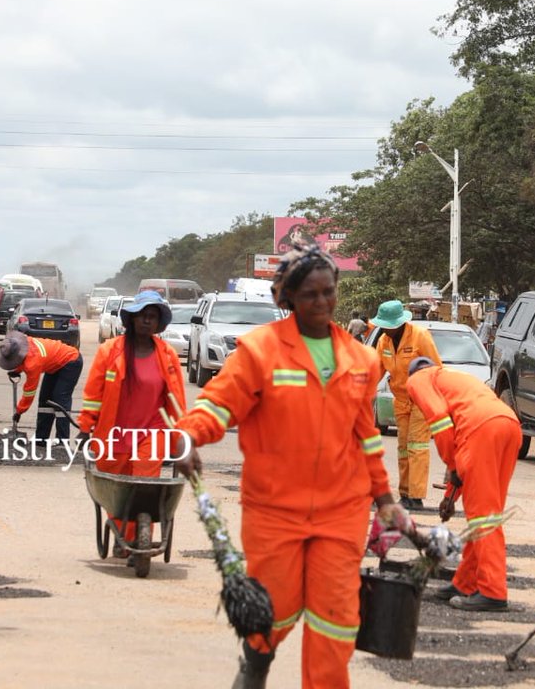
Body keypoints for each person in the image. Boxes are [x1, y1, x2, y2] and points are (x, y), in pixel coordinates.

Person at [171, 245, 411, 689]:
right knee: (271, 613)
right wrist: (189, 434)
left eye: (329, 292)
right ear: (287, 300)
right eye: (309, 295)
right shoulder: (260, 351)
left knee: (335, 623)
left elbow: (366, 438)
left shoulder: (361, 360)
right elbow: (220, 405)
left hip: (342, 513)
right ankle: (256, 662)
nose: (321, 303)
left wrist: (385, 500)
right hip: (274, 511)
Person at [406, 356, 520, 611]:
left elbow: (441, 424)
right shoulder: (453, 381)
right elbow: (459, 443)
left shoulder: (418, 380)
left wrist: (454, 467)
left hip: (482, 430)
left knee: (483, 517)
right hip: (508, 425)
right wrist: (451, 496)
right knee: (485, 512)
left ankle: (493, 591)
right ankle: (465, 583)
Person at [77, 291, 184, 551]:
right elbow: (94, 394)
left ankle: (136, 538)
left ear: (158, 323)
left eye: (152, 317)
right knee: (117, 488)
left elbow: (177, 400)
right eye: (143, 316)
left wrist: (182, 436)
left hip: (152, 432)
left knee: (145, 486)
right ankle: (122, 533)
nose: (147, 321)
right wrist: (85, 426)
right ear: (132, 319)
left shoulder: (167, 355)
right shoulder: (109, 352)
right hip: (113, 431)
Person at [371, 298, 442, 509]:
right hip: (401, 400)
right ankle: (405, 494)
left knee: (417, 447)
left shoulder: (420, 336)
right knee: (403, 447)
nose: (385, 329)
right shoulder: (384, 342)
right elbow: (376, 371)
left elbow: (436, 367)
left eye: (388, 326)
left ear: (400, 323)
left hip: (421, 399)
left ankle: (416, 496)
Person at [0, 330, 83, 444]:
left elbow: (29, 392)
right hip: (54, 365)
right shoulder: (25, 343)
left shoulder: (33, 364)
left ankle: (62, 440)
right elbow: (24, 358)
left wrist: (19, 411)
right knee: (45, 399)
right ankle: (41, 438)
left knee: (60, 398)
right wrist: (17, 370)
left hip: (71, 361)